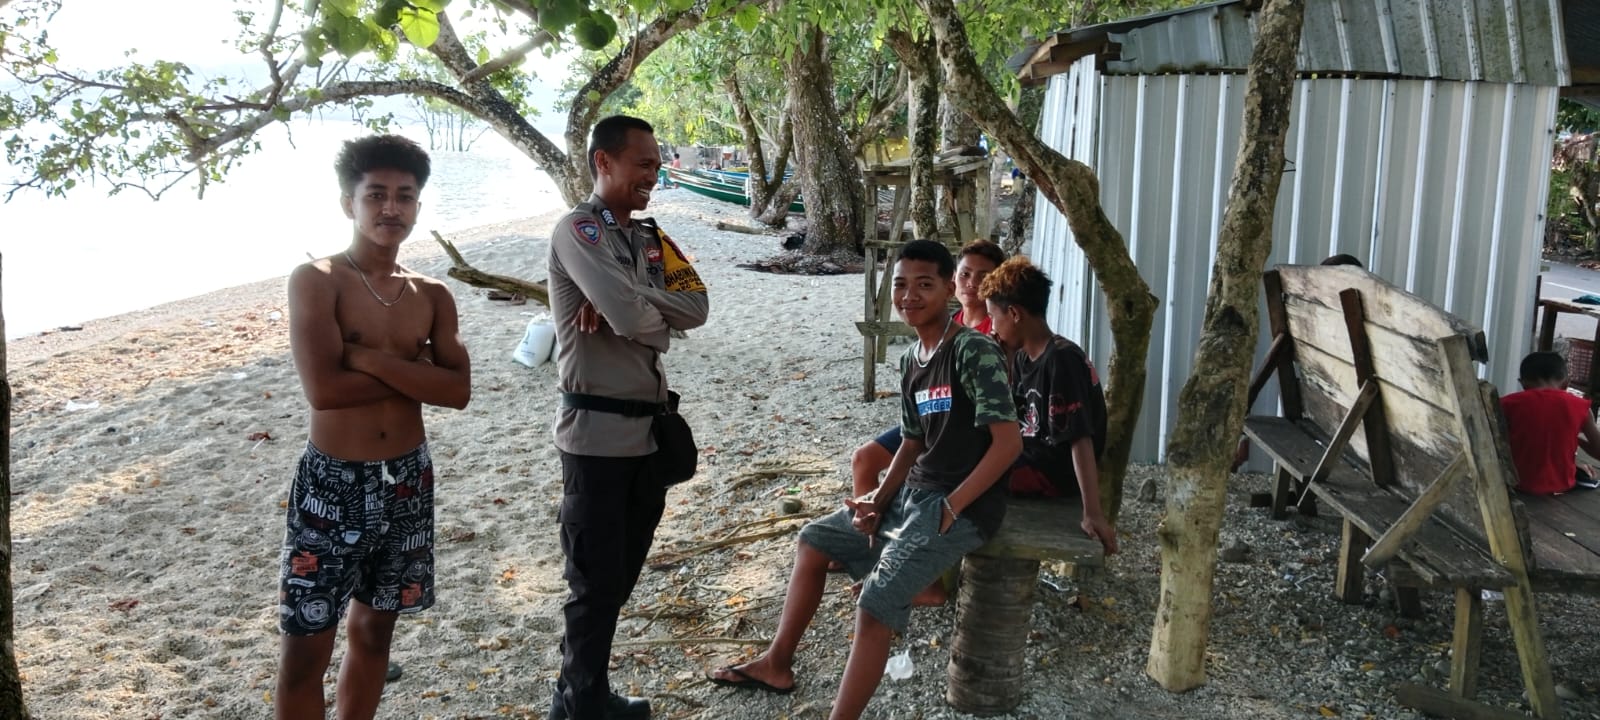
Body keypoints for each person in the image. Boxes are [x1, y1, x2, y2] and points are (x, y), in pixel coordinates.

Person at [709, 240, 1019, 720]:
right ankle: (777, 662)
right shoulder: (911, 358)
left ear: (948, 292)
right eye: (900, 284)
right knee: (813, 540)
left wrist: (952, 507)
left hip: (964, 506)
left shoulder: (973, 350)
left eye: (924, 285)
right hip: (915, 494)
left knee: (876, 601)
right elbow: (912, 443)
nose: (909, 295)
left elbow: (1008, 445)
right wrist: (878, 497)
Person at [276, 134, 472, 720]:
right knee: (305, 648)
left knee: (375, 633)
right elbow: (325, 391)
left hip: (409, 482)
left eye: (405, 197)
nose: (391, 208)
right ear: (348, 203)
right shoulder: (317, 280)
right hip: (332, 483)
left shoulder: (431, 294)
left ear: (418, 205)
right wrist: (416, 374)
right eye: (376, 195)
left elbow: (457, 391)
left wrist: (367, 358)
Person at [547, 115, 709, 720]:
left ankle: (583, 693)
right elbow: (631, 319)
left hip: (648, 435)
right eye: (642, 162)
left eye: (656, 162)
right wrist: (629, 308)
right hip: (595, 439)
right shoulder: (577, 230)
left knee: (618, 577)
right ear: (603, 163)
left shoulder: (650, 239)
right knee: (592, 583)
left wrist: (633, 302)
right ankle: (579, 701)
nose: (653, 173)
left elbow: (697, 305)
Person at [848, 239, 1007, 499]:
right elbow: (913, 432)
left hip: (962, 434)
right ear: (954, 281)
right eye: (965, 274)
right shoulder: (941, 325)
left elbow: (1003, 432)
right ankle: (868, 525)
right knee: (863, 459)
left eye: (983, 276)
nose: (972, 283)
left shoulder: (994, 335)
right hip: (929, 423)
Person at [981, 257, 1117, 553]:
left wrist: (1092, 512)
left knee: (958, 470)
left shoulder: (1061, 359)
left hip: (1051, 472)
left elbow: (1080, 438)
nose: (992, 328)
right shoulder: (1021, 357)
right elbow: (1011, 419)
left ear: (1014, 313)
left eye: (994, 317)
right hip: (1027, 455)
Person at [1501, 351, 1600, 495]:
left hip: (1516, 484)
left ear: (1522, 383)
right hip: (1562, 485)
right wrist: (1575, 439)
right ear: (1566, 383)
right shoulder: (1580, 406)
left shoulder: (1506, 404)